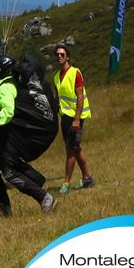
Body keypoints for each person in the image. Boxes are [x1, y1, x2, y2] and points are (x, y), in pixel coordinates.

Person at [0, 54, 59, 217]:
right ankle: (4, 209)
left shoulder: (6, 88)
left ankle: (44, 198)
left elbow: (7, 113)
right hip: (2, 137)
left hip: (9, 138)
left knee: (9, 171)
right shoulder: (8, 83)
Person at [53, 44, 95, 194]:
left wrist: (77, 119)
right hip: (64, 117)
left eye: (62, 54)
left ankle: (66, 183)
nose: (59, 56)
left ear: (67, 57)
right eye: (57, 54)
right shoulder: (56, 77)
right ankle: (87, 178)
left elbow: (80, 96)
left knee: (71, 149)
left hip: (75, 117)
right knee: (74, 148)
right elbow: (57, 98)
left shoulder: (75, 73)